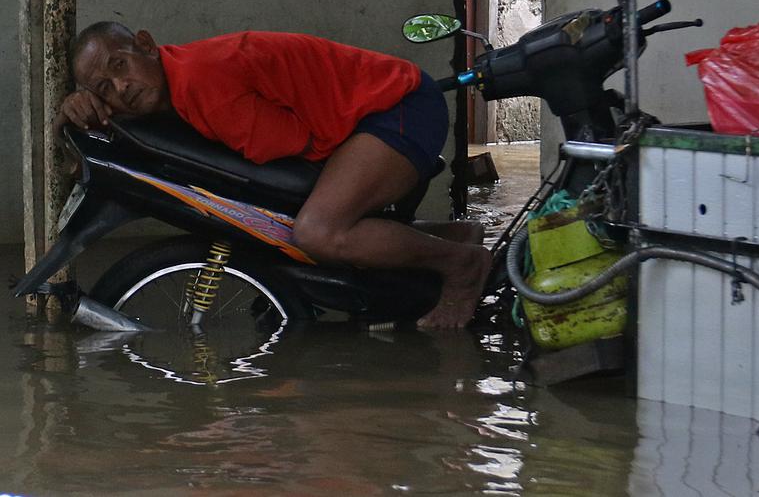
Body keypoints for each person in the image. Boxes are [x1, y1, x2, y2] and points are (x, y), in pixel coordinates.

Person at [55, 21, 491, 329]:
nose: (121, 87)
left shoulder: (203, 82)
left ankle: (462, 266)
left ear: (147, 45)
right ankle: (455, 236)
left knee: (319, 232)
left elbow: (289, 144)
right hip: (366, 116)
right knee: (312, 221)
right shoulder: (179, 82)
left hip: (397, 107)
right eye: (104, 90)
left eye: (119, 66)